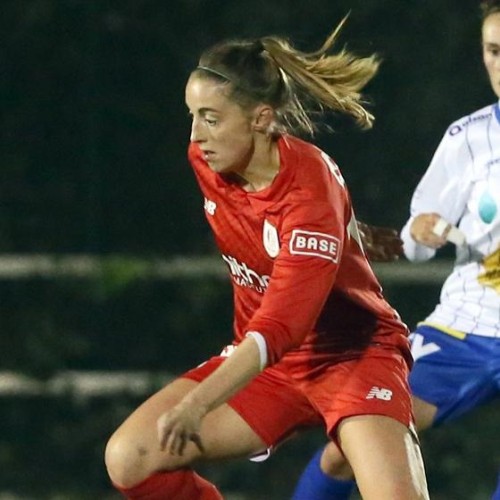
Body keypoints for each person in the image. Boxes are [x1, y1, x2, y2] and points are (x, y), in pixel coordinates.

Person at [104, 16, 429, 500]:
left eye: (210, 118)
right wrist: (352, 234)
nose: (195, 135)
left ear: (260, 118)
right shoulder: (209, 160)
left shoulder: (310, 191)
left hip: (352, 358)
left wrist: (199, 403)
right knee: (131, 458)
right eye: (192, 115)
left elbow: (283, 324)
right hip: (271, 368)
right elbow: (277, 235)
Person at [292, 1, 500, 498]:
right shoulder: (468, 139)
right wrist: (422, 232)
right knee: (354, 441)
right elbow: (415, 240)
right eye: (493, 50)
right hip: (465, 331)